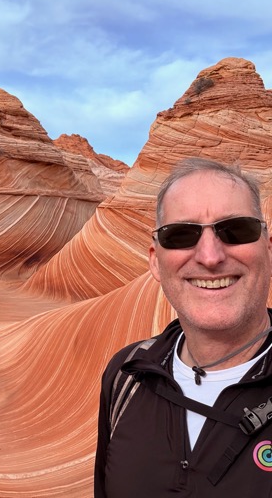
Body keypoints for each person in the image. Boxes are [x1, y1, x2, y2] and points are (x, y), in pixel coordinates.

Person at [94, 157, 272, 496]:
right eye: (180, 235)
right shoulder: (127, 375)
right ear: (155, 262)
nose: (209, 256)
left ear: (269, 249)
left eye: (237, 229)